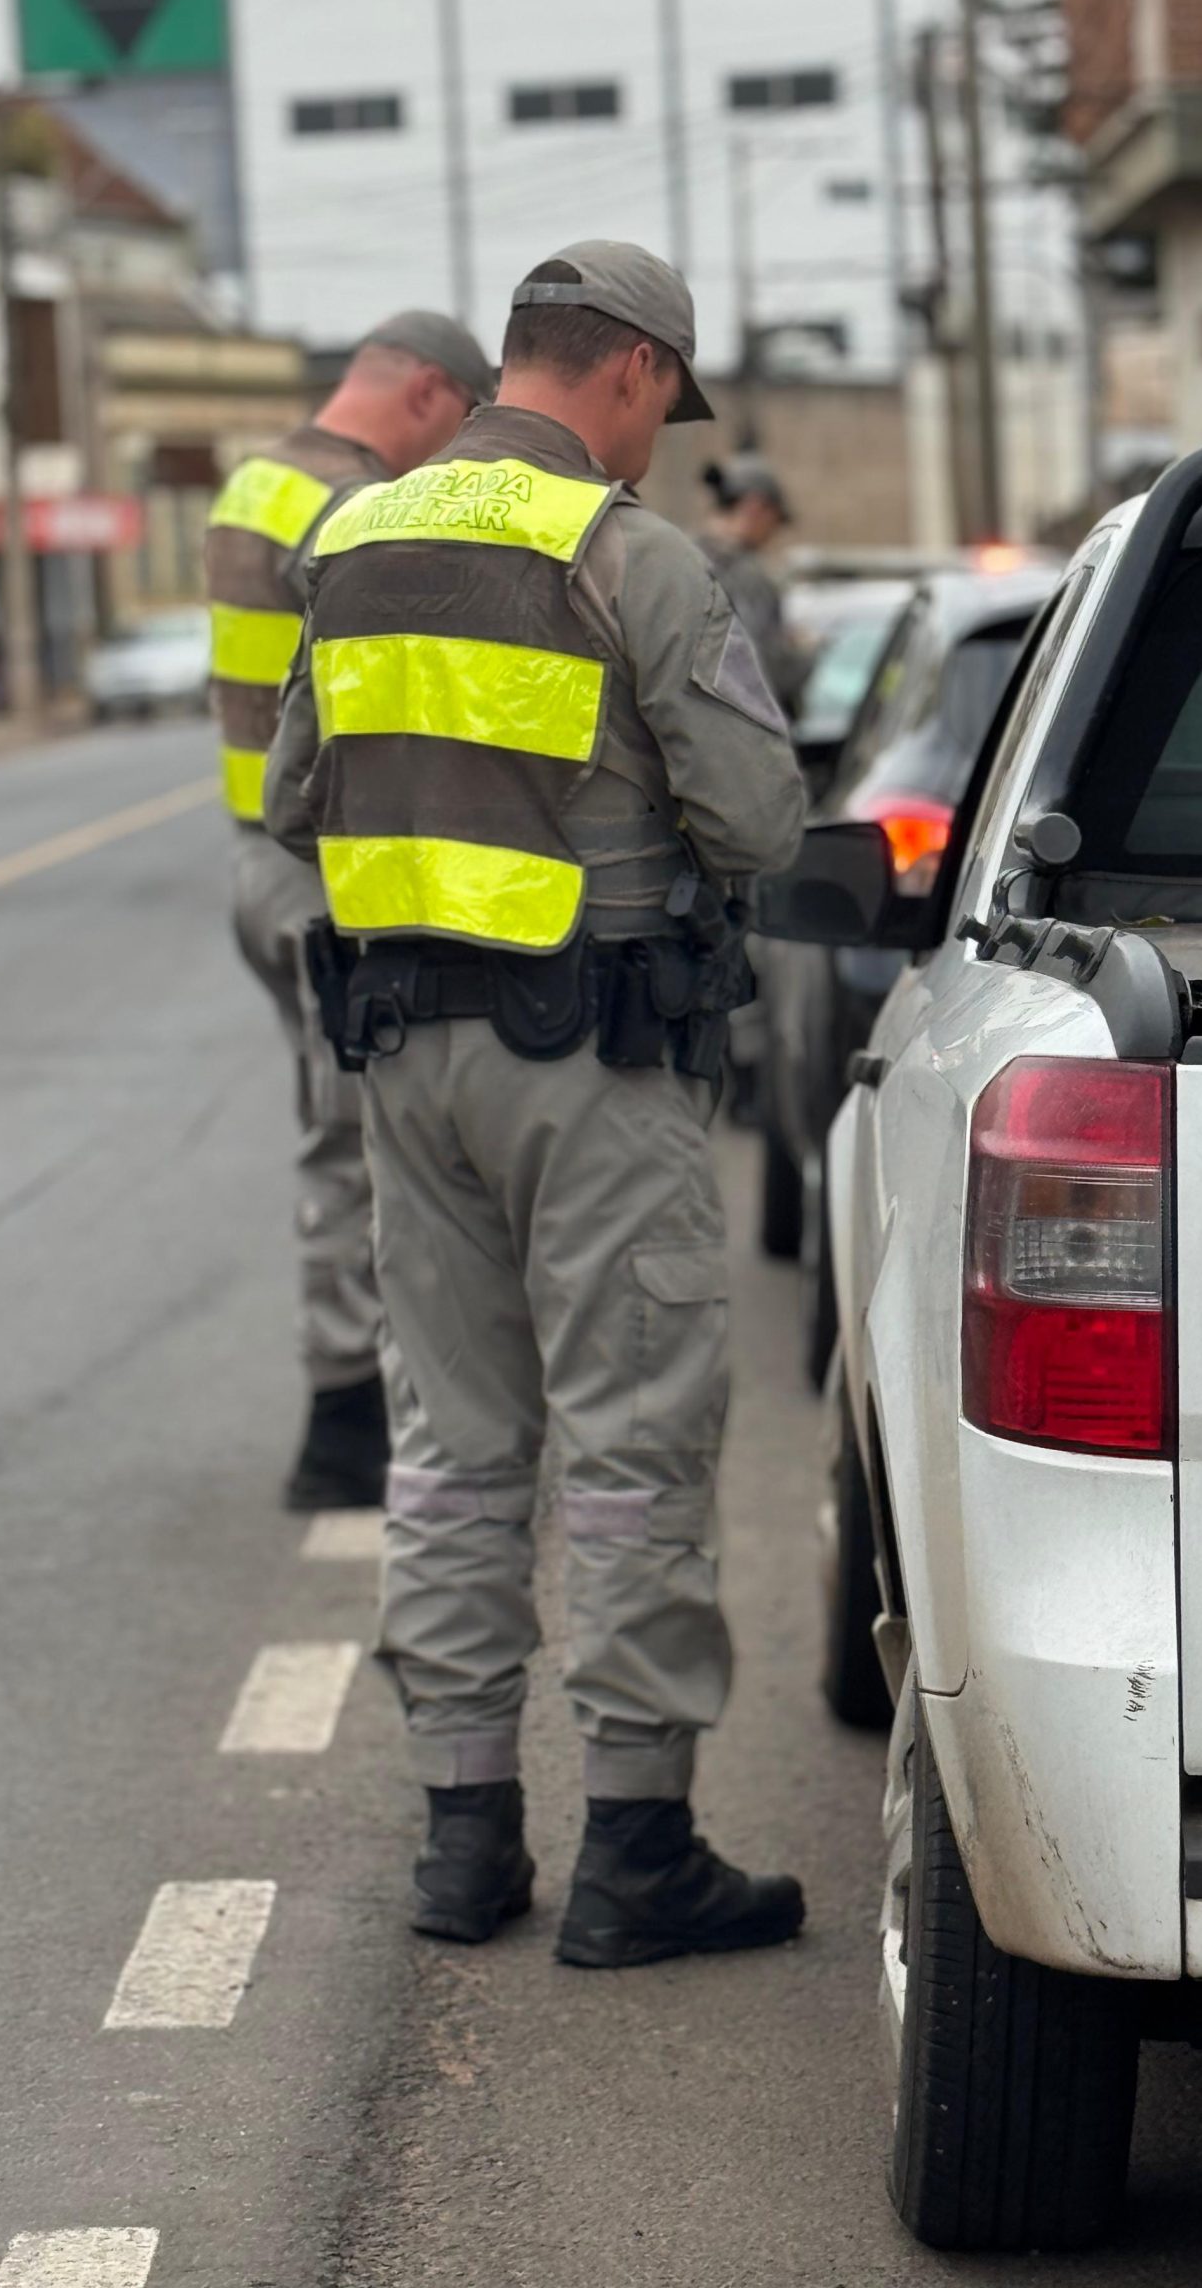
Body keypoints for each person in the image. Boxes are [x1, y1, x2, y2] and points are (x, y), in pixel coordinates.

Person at [264, 241, 810, 1969]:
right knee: (634, 1442)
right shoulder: (630, 555)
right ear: (633, 369)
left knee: (449, 1447)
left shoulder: (353, 539)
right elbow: (760, 825)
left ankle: (463, 1837)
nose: (657, 437)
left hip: (404, 1064)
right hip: (596, 1065)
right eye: (665, 404)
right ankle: (637, 1849)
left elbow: (293, 800)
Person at [206, 311, 493, 1512]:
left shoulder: (254, 484)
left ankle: (362, 1398)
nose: (451, 457)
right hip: (327, 872)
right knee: (354, 1143)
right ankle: (343, 1427)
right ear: (425, 390)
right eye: (460, 425)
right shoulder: (347, 508)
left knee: (341, 1130)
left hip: (259, 862)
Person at [698, 456, 797, 702]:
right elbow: (767, 670)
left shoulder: (681, 558)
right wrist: (809, 656)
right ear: (755, 508)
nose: (772, 535)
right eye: (775, 522)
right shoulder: (748, 577)